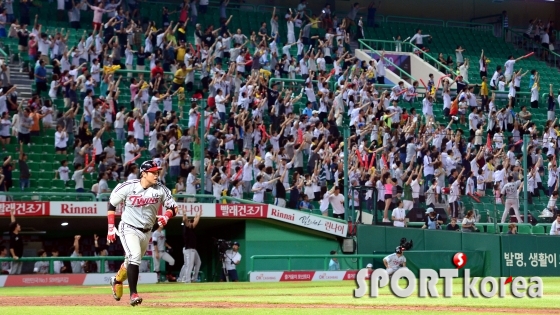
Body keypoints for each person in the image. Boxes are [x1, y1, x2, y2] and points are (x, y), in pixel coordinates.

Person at [108, 160, 178, 306]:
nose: (156, 174)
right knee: (135, 257)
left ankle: (117, 280)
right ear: (144, 173)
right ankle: (133, 294)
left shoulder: (161, 189)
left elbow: (173, 207)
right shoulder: (129, 186)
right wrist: (110, 228)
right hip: (128, 227)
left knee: (129, 262)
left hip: (147, 231)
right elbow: (112, 203)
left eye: (157, 172)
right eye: (153, 172)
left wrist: (167, 215)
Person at [179, 209, 202, 283]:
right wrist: (184, 214)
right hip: (189, 249)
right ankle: (187, 280)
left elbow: (195, 223)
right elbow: (186, 220)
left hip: (193, 249)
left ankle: (194, 278)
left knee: (198, 262)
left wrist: (198, 216)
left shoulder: (191, 228)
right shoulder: (187, 228)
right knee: (189, 265)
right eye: (190, 221)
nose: (192, 223)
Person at [8, 208, 23, 274]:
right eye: (18, 225)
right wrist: (14, 256)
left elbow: (13, 221)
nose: (19, 226)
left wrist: (11, 213)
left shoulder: (18, 234)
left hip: (20, 256)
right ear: (15, 228)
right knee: (13, 271)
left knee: (18, 272)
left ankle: (17, 283)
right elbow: (11, 247)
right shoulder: (12, 235)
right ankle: (10, 283)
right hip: (15, 257)